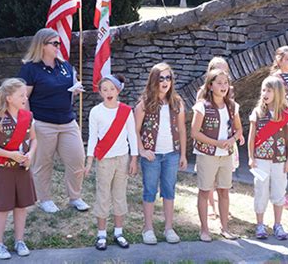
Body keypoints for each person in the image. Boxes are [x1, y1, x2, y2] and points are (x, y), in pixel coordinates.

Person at [18, 28, 88, 213]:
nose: (59, 46)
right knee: (43, 162)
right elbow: (23, 99)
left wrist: (75, 89)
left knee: (77, 159)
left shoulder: (65, 66)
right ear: (42, 45)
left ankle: (75, 197)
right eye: (55, 43)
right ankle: (45, 199)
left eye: (59, 43)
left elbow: (68, 88)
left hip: (67, 121)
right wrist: (29, 123)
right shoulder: (30, 69)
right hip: (42, 123)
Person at [135, 63, 188, 245]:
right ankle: (148, 228)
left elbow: (181, 129)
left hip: (171, 154)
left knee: (169, 190)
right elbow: (135, 130)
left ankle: (168, 228)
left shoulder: (177, 103)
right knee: (150, 190)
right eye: (161, 78)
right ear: (154, 80)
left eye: (168, 78)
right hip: (152, 155)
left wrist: (182, 154)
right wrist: (142, 150)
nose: (165, 82)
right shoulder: (144, 104)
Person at [0, 78, 37, 259]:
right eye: (21, 95)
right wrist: (11, 155)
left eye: (25, 94)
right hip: (3, 168)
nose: (25, 97)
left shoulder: (28, 116)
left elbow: (34, 140)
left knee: (21, 205)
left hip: (23, 167)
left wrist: (30, 155)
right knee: (2, 206)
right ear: (8, 98)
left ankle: (19, 240)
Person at [85, 75, 138, 250]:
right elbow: (92, 138)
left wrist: (134, 158)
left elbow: (132, 135)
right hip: (104, 160)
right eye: (105, 89)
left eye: (112, 89)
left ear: (118, 90)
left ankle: (118, 232)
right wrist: (89, 161)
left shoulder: (126, 111)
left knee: (120, 195)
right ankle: (101, 234)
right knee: (103, 196)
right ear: (100, 92)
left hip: (122, 158)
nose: (109, 92)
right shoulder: (96, 112)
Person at [191, 68, 243, 242]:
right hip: (207, 155)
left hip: (226, 155)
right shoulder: (202, 106)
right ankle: (204, 230)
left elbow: (239, 129)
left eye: (226, 83)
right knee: (205, 191)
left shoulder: (232, 106)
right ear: (210, 85)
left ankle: (225, 228)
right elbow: (195, 132)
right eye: (219, 83)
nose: (223, 86)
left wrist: (233, 139)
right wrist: (216, 143)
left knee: (224, 191)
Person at [248, 76, 288, 240]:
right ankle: (260, 225)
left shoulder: (286, 114)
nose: (265, 93)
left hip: (279, 159)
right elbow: (252, 137)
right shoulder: (258, 112)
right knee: (260, 190)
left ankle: (277, 224)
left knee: (279, 190)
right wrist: (251, 157)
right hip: (261, 159)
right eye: (263, 90)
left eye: (269, 90)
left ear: (278, 93)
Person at [270, 45, 288, 209]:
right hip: (281, 119)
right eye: (287, 59)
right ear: (279, 61)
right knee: (280, 155)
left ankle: (286, 192)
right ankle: (280, 193)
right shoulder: (276, 78)